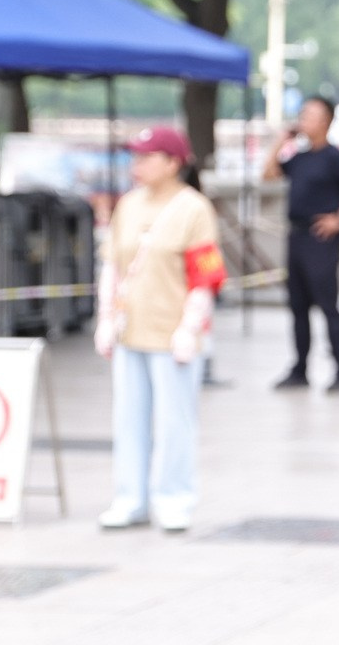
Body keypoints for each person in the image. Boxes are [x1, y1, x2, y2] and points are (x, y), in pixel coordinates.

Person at [93, 125, 226, 532]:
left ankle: (174, 499)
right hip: (130, 331)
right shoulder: (128, 205)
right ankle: (130, 498)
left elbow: (205, 275)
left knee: (175, 422)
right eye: (136, 156)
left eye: (147, 157)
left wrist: (190, 327)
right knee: (128, 419)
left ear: (173, 163)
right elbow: (112, 266)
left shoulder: (194, 209)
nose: (138, 164)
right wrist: (104, 319)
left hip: (172, 336)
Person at [262, 96, 339, 393]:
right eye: (303, 114)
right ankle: (300, 368)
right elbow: (268, 174)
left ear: (326, 121)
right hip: (296, 235)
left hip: (321, 237)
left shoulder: (334, 157)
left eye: (311, 115)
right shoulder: (300, 157)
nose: (304, 120)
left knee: (327, 305)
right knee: (298, 305)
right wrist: (281, 141)